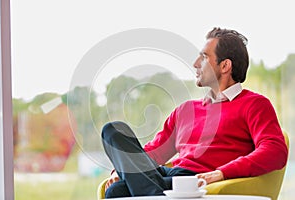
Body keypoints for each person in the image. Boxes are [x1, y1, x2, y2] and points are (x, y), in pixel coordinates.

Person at [101, 27, 288, 198]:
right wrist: (122, 168)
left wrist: (222, 172)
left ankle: (153, 193)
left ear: (225, 66)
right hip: (167, 175)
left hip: (193, 180)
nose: (196, 63)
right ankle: (155, 194)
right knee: (113, 130)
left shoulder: (254, 104)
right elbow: (153, 153)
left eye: (204, 57)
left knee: (116, 192)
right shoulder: (185, 110)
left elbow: (275, 150)